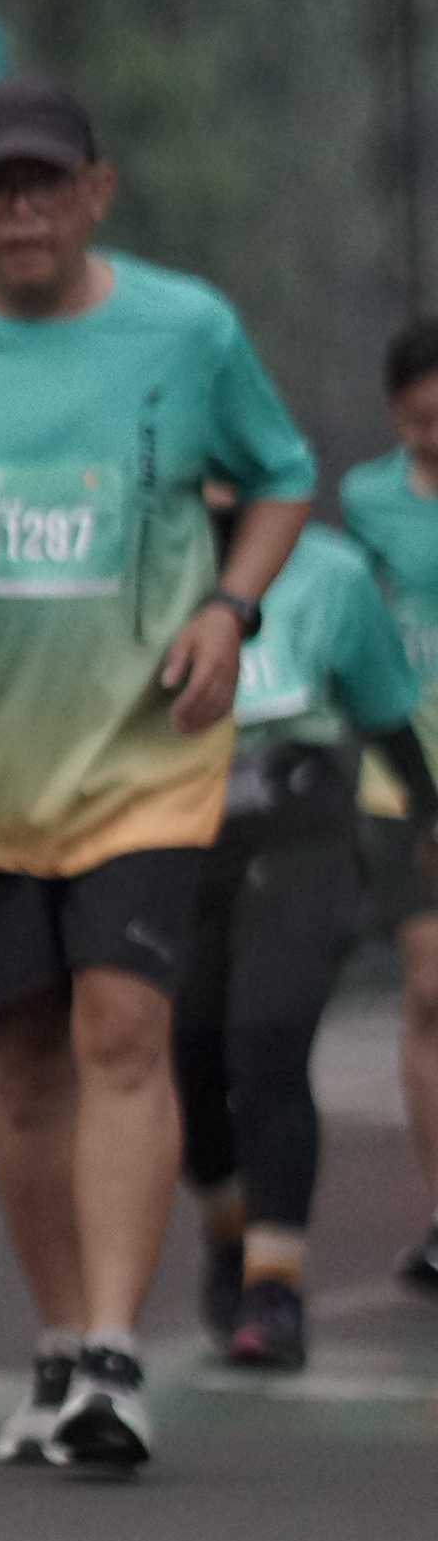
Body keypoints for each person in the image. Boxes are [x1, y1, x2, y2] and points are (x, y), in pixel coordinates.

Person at [0, 77, 313, 1474]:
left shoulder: (187, 330)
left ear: (96, 192)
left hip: (144, 754)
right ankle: (58, 1334)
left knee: (124, 1030)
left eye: (46, 185)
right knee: (24, 1063)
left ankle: (113, 1354)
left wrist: (230, 610)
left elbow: (281, 476)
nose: (23, 210)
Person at [177, 494, 438, 1372]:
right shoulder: (146, 563)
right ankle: (228, 1231)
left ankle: (274, 1287)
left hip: (302, 829)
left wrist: (429, 809)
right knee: (187, 1054)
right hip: (175, 828)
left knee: (269, 1041)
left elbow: (385, 708)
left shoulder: (332, 572)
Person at [339, 322, 438, 1292]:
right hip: (404, 777)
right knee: (428, 989)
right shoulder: (367, 500)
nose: (431, 436)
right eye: (416, 420)